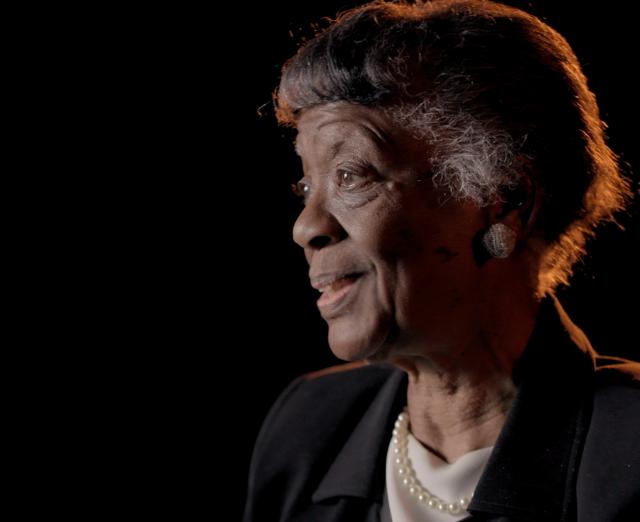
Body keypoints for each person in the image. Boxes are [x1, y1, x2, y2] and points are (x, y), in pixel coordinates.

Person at [244, 1, 639, 520]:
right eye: (307, 185)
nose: (306, 227)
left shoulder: (629, 448)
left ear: (506, 201)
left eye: (350, 175)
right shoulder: (310, 427)